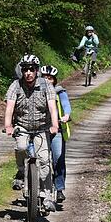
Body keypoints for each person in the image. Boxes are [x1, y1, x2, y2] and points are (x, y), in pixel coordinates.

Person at [4, 54, 59, 212]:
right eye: (25, 69)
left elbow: (52, 107)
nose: (28, 72)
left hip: (42, 128)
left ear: (37, 71)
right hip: (22, 126)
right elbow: (10, 107)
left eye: (31, 69)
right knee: (21, 148)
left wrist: (55, 125)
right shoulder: (16, 85)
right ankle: (21, 171)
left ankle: (47, 196)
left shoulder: (46, 85)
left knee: (45, 161)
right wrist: (8, 125)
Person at [40, 65, 71, 203]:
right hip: (40, 129)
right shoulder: (35, 91)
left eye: (50, 78)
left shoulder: (59, 92)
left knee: (58, 158)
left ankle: (59, 189)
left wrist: (66, 115)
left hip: (56, 130)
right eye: (44, 77)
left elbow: (66, 105)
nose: (47, 80)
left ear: (54, 80)